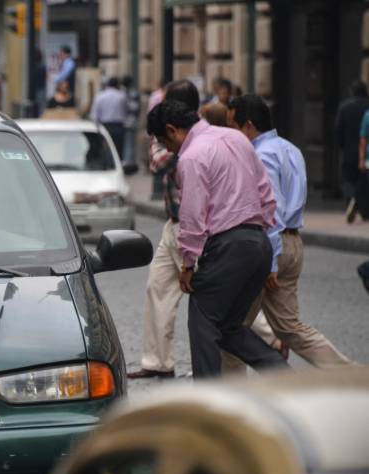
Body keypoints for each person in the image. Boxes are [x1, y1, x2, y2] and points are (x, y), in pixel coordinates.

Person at [146, 100, 287, 378]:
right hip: (259, 243)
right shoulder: (236, 137)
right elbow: (265, 191)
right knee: (228, 328)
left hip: (228, 246)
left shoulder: (192, 156)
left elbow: (192, 216)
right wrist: (262, 232)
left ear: (172, 130)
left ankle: (208, 399)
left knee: (203, 323)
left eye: (165, 142)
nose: (169, 149)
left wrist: (188, 265)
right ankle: (284, 375)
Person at [230, 95, 354, 368]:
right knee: (290, 327)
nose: (233, 135)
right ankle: (350, 373)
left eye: (234, 127)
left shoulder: (260, 155)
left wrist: (271, 262)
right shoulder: (291, 149)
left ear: (248, 126)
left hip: (268, 248)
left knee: (231, 327)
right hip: (293, 242)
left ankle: (228, 392)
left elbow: (271, 210)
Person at [128, 80, 200, 379]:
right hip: (173, 224)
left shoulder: (197, 134)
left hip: (193, 226)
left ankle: (269, 336)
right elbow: (158, 163)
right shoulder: (171, 132)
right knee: (157, 288)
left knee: (214, 292)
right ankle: (157, 362)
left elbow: (160, 159)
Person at [337, 81, 369, 223]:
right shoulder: (367, 108)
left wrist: (341, 146)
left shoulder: (344, 107)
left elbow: (338, 130)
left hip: (349, 151)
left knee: (348, 180)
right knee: (364, 182)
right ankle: (362, 208)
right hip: (367, 153)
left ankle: (352, 199)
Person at [90, 77, 128, 158]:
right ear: (117, 85)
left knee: (105, 149)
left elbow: (94, 115)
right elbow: (126, 110)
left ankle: (107, 166)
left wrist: (96, 127)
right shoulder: (122, 96)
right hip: (118, 127)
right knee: (118, 151)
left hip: (105, 126)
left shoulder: (100, 96)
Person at [120, 76, 140, 172]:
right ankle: (128, 164)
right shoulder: (130, 93)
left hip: (122, 122)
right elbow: (134, 108)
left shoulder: (120, 93)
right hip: (129, 122)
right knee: (129, 144)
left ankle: (125, 163)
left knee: (126, 144)